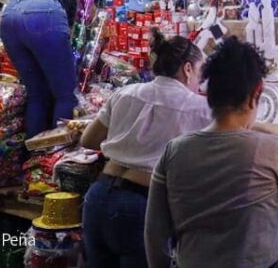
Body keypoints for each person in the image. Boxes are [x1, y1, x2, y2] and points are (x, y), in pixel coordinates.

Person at [145, 37, 278, 268]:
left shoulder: (174, 152)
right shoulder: (273, 151)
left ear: (209, 94)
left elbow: (154, 234)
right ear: (254, 95)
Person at [80, 29, 207, 268]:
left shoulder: (125, 93)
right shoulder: (199, 108)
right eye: (199, 73)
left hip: (97, 197)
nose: (199, 82)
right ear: (188, 69)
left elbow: (88, 140)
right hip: (139, 207)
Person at [0, 0, 87, 138]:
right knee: (65, 93)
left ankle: (34, 158)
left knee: (37, 93)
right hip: (42, 12)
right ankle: (56, 155)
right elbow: (86, 6)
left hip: (9, 16)